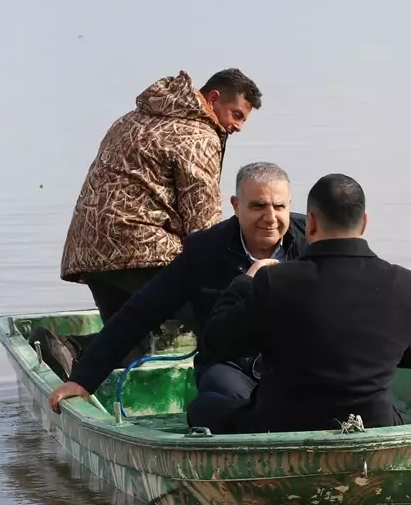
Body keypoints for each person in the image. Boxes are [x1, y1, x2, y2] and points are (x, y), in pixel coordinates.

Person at [198, 173, 411, 433]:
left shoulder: (274, 280)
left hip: (282, 426)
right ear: (364, 223)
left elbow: (218, 343)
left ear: (312, 223)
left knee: (204, 407)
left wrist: (246, 281)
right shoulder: (404, 281)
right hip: (375, 424)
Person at [47, 162, 303, 411]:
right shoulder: (204, 251)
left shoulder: (312, 238)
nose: (270, 218)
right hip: (229, 366)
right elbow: (141, 311)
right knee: (225, 399)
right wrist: (82, 380)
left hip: (296, 361)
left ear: (289, 206)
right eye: (258, 206)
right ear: (236, 206)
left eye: (279, 206)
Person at [58, 68, 262, 354]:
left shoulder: (132, 118)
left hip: (90, 249)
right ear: (213, 98)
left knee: (125, 343)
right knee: (216, 319)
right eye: (236, 114)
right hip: (142, 248)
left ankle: (67, 349)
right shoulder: (198, 136)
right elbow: (202, 221)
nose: (238, 126)